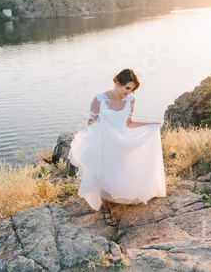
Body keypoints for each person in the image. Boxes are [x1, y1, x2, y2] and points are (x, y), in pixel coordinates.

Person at [67, 68, 166, 227]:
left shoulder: (130, 100)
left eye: (132, 89)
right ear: (117, 83)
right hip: (105, 143)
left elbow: (128, 123)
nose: (129, 92)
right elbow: (90, 123)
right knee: (105, 174)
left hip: (121, 141)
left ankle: (111, 198)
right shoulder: (99, 99)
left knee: (120, 172)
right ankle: (106, 209)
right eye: (127, 88)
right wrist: (102, 126)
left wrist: (150, 125)